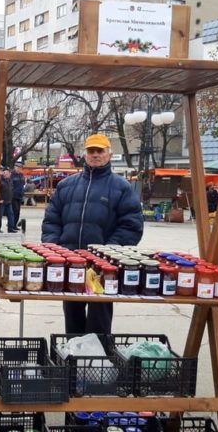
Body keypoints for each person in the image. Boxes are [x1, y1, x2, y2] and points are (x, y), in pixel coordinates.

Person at [41, 134, 143, 334]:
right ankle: (73, 351)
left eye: (100, 151)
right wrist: (56, 250)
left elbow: (131, 226)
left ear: (109, 154)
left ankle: (99, 352)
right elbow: (51, 221)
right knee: (72, 315)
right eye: (91, 151)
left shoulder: (121, 187)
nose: (95, 155)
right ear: (84, 155)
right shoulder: (66, 185)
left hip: (102, 268)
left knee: (100, 318)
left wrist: (108, 252)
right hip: (70, 264)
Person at [0, 168, 17, 233]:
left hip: (9, 201)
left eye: (8, 173)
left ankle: (10, 228)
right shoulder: (0, 180)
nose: (7, 174)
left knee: (11, 215)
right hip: (1, 201)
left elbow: (11, 190)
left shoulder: (10, 180)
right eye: (6, 173)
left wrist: (11, 198)